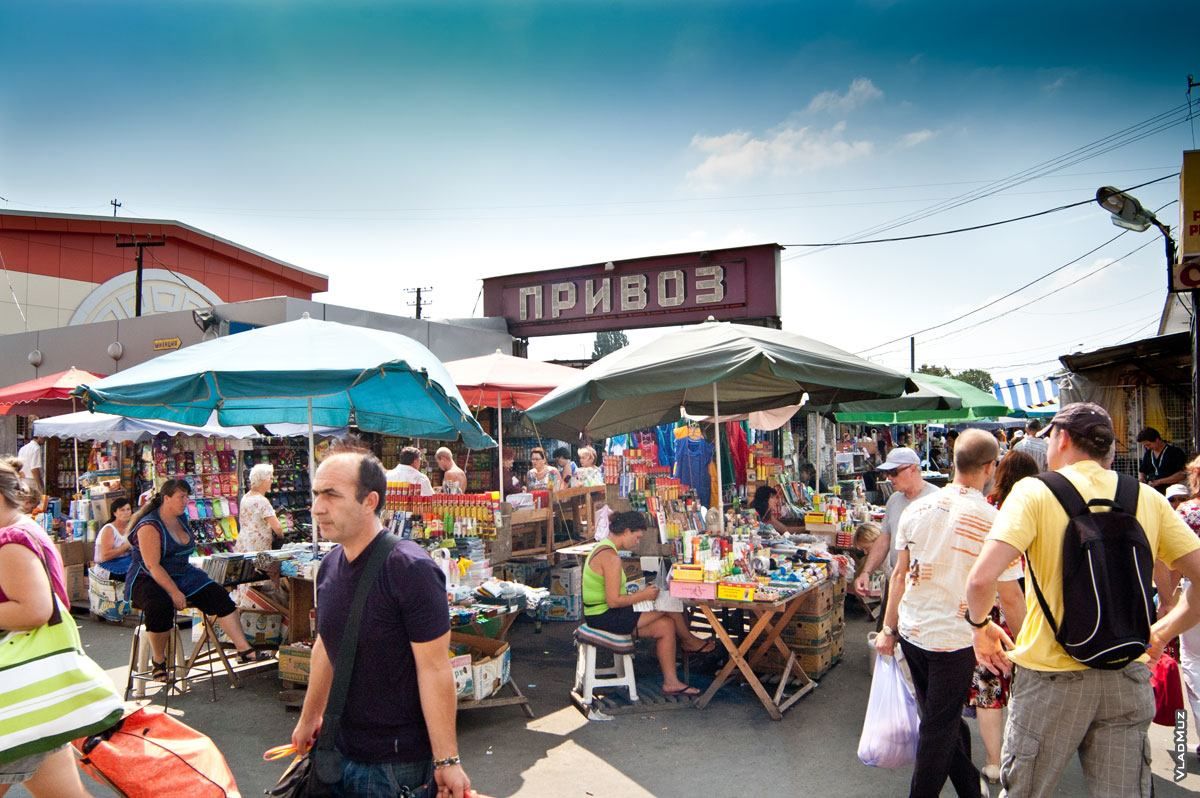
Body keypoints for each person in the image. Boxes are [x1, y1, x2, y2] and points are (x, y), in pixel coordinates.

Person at [966, 403, 1200, 797]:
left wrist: (980, 628)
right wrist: (1162, 632)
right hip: (1125, 673)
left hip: (1050, 678)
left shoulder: (1034, 492)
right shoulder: (1146, 497)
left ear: (1062, 438)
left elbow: (981, 580)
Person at [290, 444, 471, 798]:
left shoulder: (410, 569)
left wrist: (447, 761)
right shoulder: (328, 567)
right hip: (336, 751)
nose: (316, 508)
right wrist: (309, 718)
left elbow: (434, 669)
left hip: (395, 765)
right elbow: (326, 646)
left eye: (331, 495)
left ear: (370, 501)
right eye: (315, 494)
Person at [874, 430, 1023, 797]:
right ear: (990, 467)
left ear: (954, 461)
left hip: (914, 630)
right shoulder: (993, 519)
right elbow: (1011, 596)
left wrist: (889, 628)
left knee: (942, 719)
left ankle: (969, 787)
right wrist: (1028, 646)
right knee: (939, 727)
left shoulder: (917, 509)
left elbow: (898, 574)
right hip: (954, 638)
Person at [0, 462, 90, 797]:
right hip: (34, 689)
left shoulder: (10, 540)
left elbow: (36, 609)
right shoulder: (27, 529)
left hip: (15, 687)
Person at [125, 480, 271, 679]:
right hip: (149, 577)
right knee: (160, 605)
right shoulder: (149, 525)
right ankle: (159, 661)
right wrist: (174, 592)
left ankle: (244, 649)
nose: (185, 501)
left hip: (182, 573)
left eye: (187, 497)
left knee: (218, 596)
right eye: (181, 497)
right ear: (166, 498)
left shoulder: (181, 518)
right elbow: (153, 565)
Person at [582, 510, 714, 696]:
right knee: (668, 604)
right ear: (626, 531)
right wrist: (643, 595)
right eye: (637, 537)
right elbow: (613, 601)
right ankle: (689, 641)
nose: (637, 542)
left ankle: (671, 682)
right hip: (604, 616)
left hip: (603, 613)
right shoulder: (611, 558)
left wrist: (642, 593)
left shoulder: (603, 548)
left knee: (666, 626)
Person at [967, 450, 1038, 783]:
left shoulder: (990, 508)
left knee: (988, 685)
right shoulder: (1039, 509)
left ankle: (994, 761)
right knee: (1029, 687)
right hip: (1029, 608)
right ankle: (1022, 759)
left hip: (989, 612)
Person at [854, 448, 938, 611]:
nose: (889, 478)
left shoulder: (937, 498)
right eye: (887, 473)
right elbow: (885, 538)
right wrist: (866, 572)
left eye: (894, 472)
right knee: (889, 631)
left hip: (926, 587)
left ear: (913, 469)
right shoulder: (894, 500)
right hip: (898, 581)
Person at [237, 464, 284, 552]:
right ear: (264, 480)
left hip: (244, 543)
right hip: (258, 546)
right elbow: (277, 527)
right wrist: (281, 537)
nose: (271, 481)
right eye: (270, 478)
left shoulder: (245, 497)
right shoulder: (262, 501)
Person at [1137, 426, 1187, 493]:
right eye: (1145, 446)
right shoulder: (1148, 454)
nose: (1147, 448)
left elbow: (1182, 475)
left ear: (1157, 440)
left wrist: (1159, 481)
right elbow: (1142, 470)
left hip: (1171, 491)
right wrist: (1141, 479)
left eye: (1148, 445)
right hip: (1152, 491)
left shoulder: (1175, 452)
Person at [93, 497, 134, 578]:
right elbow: (105, 556)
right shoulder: (109, 529)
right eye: (122, 510)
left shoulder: (131, 527)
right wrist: (126, 546)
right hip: (107, 565)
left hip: (125, 561)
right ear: (114, 513)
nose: (126, 512)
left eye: (128, 509)